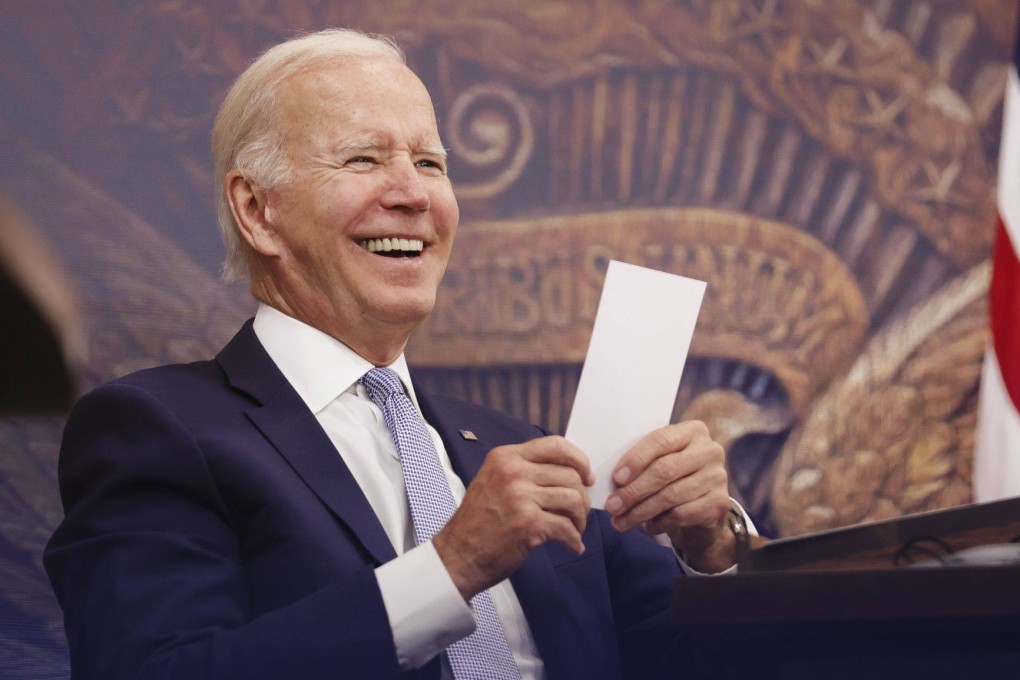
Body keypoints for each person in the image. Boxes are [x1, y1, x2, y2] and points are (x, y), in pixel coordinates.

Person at [44, 28, 753, 680]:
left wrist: (711, 555)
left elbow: (701, 664)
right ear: (258, 211)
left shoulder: (532, 456)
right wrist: (451, 568)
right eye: (364, 159)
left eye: (429, 162)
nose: (413, 194)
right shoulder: (158, 431)